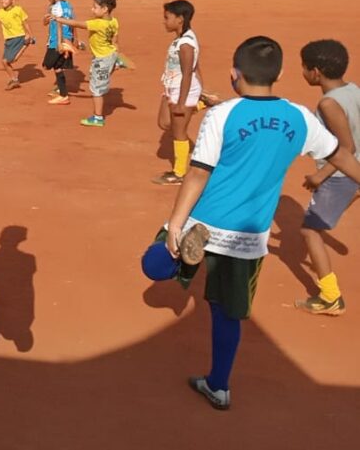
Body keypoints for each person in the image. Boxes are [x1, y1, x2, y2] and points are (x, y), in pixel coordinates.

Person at [139, 36, 360, 411]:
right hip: (248, 236)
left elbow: (197, 173)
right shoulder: (300, 117)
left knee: (153, 265)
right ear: (279, 74)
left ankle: (180, 258)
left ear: (233, 75)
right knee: (229, 312)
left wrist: (176, 223)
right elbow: (340, 153)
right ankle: (219, 386)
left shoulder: (222, 115)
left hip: (204, 220)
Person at [295, 39, 360, 315]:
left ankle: (330, 297)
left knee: (310, 231)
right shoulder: (352, 89)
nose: (302, 72)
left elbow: (347, 149)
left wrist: (320, 175)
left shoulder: (328, 103)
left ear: (316, 72)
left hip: (343, 176)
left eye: (304, 67)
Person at [153, 0, 207, 185]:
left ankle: (179, 173)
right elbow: (195, 66)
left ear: (180, 19)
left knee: (179, 132)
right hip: (173, 88)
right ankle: (199, 105)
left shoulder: (186, 44)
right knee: (164, 123)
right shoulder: (180, 40)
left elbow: (187, 74)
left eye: (167, 18)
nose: (164, 21)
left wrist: (182, 103)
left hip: (182, 90)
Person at [59, 0, 120, 127]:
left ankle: (98, 117)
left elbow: (77, 24)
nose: (92, 10)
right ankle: (115, 65)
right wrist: (116, 57)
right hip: (111, 55)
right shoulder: (114, 22)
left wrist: (59, 19)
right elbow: (115, 42)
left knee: (96, 89)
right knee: (99, 78)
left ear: (104, 9)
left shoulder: (97, 23)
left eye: (95, 7)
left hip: (101, 59)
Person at [41, 0, 75, 105]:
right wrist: (75, 40)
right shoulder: (68, 6)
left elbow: (59, 24)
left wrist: (60, 43)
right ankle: (62, 92)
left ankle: (64, 95)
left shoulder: (55, 7)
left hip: (56, 42)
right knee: (58, 67)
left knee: (47, 65)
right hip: (66, 39)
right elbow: (73, 23)